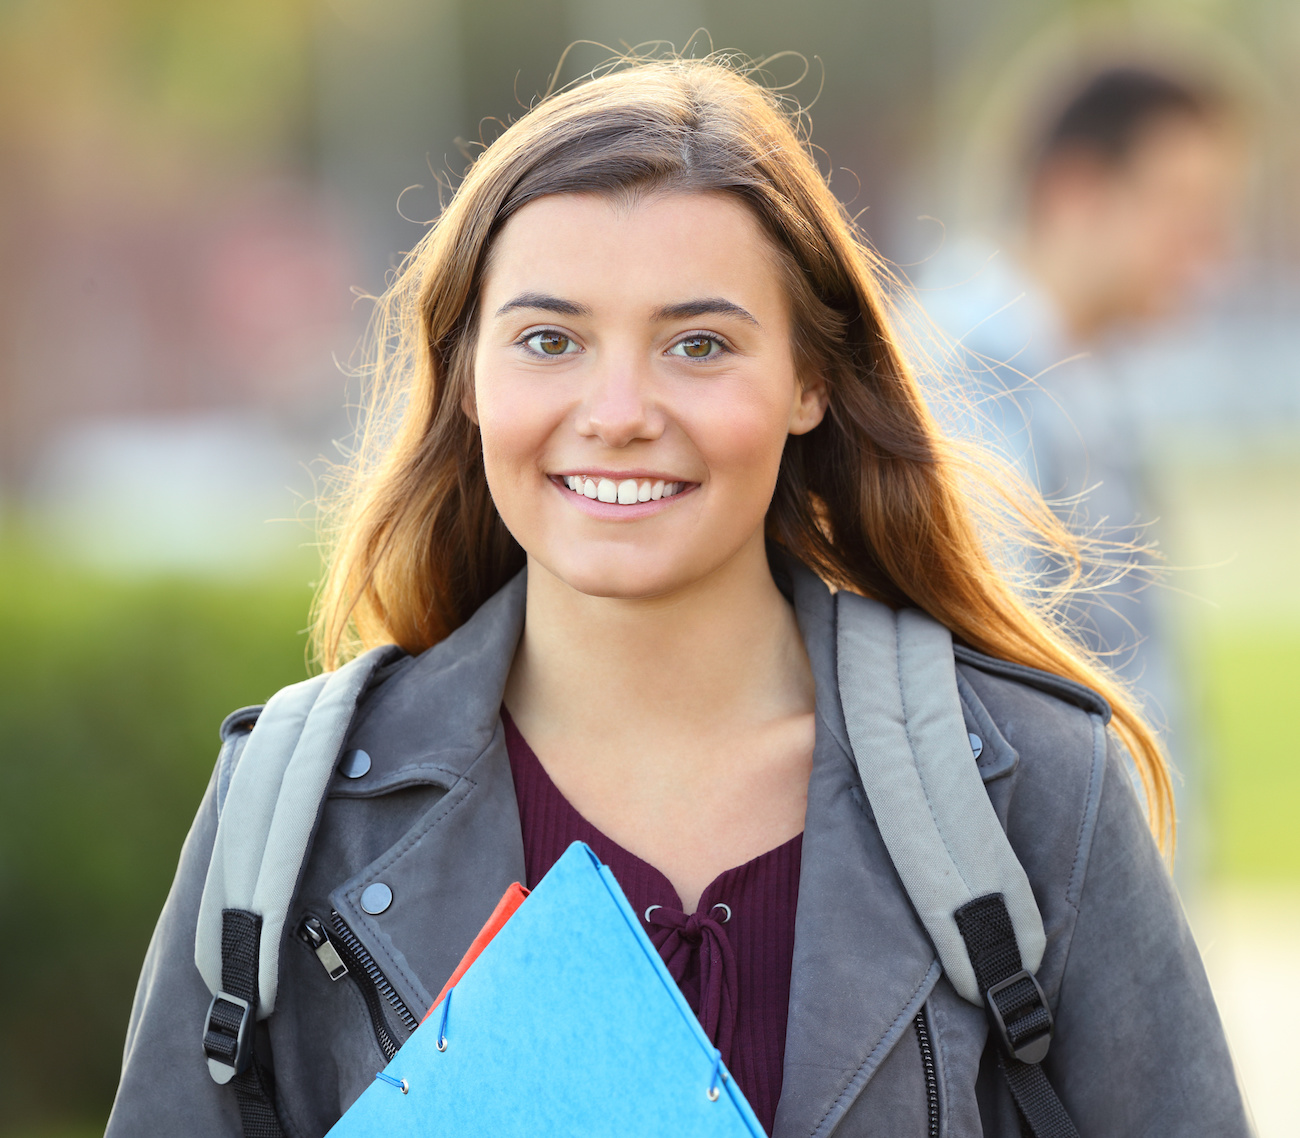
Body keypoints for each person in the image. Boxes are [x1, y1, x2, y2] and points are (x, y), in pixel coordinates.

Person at [106, 57, 1248, 1137]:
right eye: (548, 339)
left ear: (810, 378)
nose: (616, 409)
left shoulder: (1037, 790)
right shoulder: (293, 812)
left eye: (697, 345)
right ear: (466, 378)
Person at [920, 66, 1244, 869]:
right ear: (1076, 192)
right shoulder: (964, 389)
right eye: (1182, 208)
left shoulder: (1072, 378)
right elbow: (986, 712)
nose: (1209, 248)